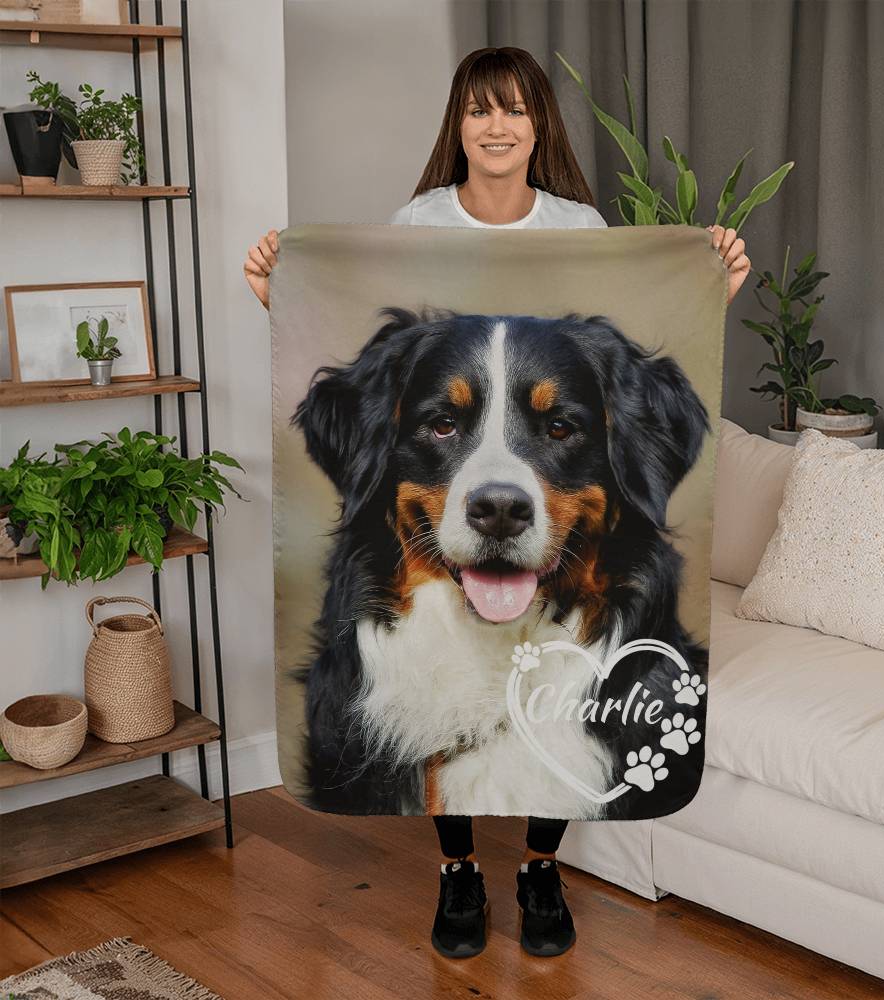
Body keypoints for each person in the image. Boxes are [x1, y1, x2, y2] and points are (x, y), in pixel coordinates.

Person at [244, 46, 750, 962]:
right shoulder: (417, 222)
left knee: (551, 753)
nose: (499, 494)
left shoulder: (582, 223)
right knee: (443, 744)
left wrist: (714, 277)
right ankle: (458, 871)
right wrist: (279, 283)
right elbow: (334, 284)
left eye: (515, 109)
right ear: (461, 127)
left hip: (579, 644)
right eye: (480, 110)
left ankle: (542, 866)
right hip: (418, 672)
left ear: (536, 127)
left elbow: (661, 293)